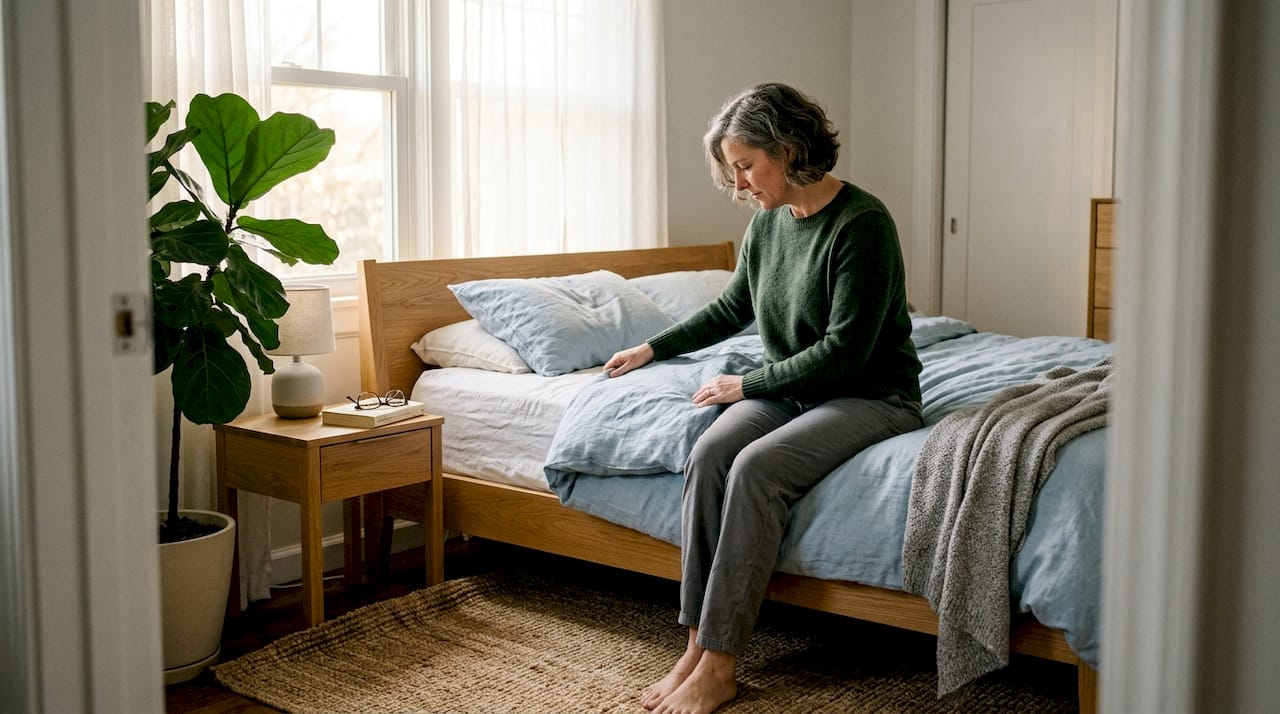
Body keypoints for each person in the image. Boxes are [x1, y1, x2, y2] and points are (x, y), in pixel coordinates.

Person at [603, 82, 924, 714]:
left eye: (746, 166)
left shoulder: (862, 223)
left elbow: (845, 353)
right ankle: (695, 646)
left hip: (869, 395)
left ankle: (721, 665)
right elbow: (732, 306)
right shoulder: (768, 225)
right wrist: (652, 348)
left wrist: (747, 384)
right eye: (733, 169)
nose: (740, 183)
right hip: (794, 390)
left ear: (788, 148)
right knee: (711, 451)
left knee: (756, 469)